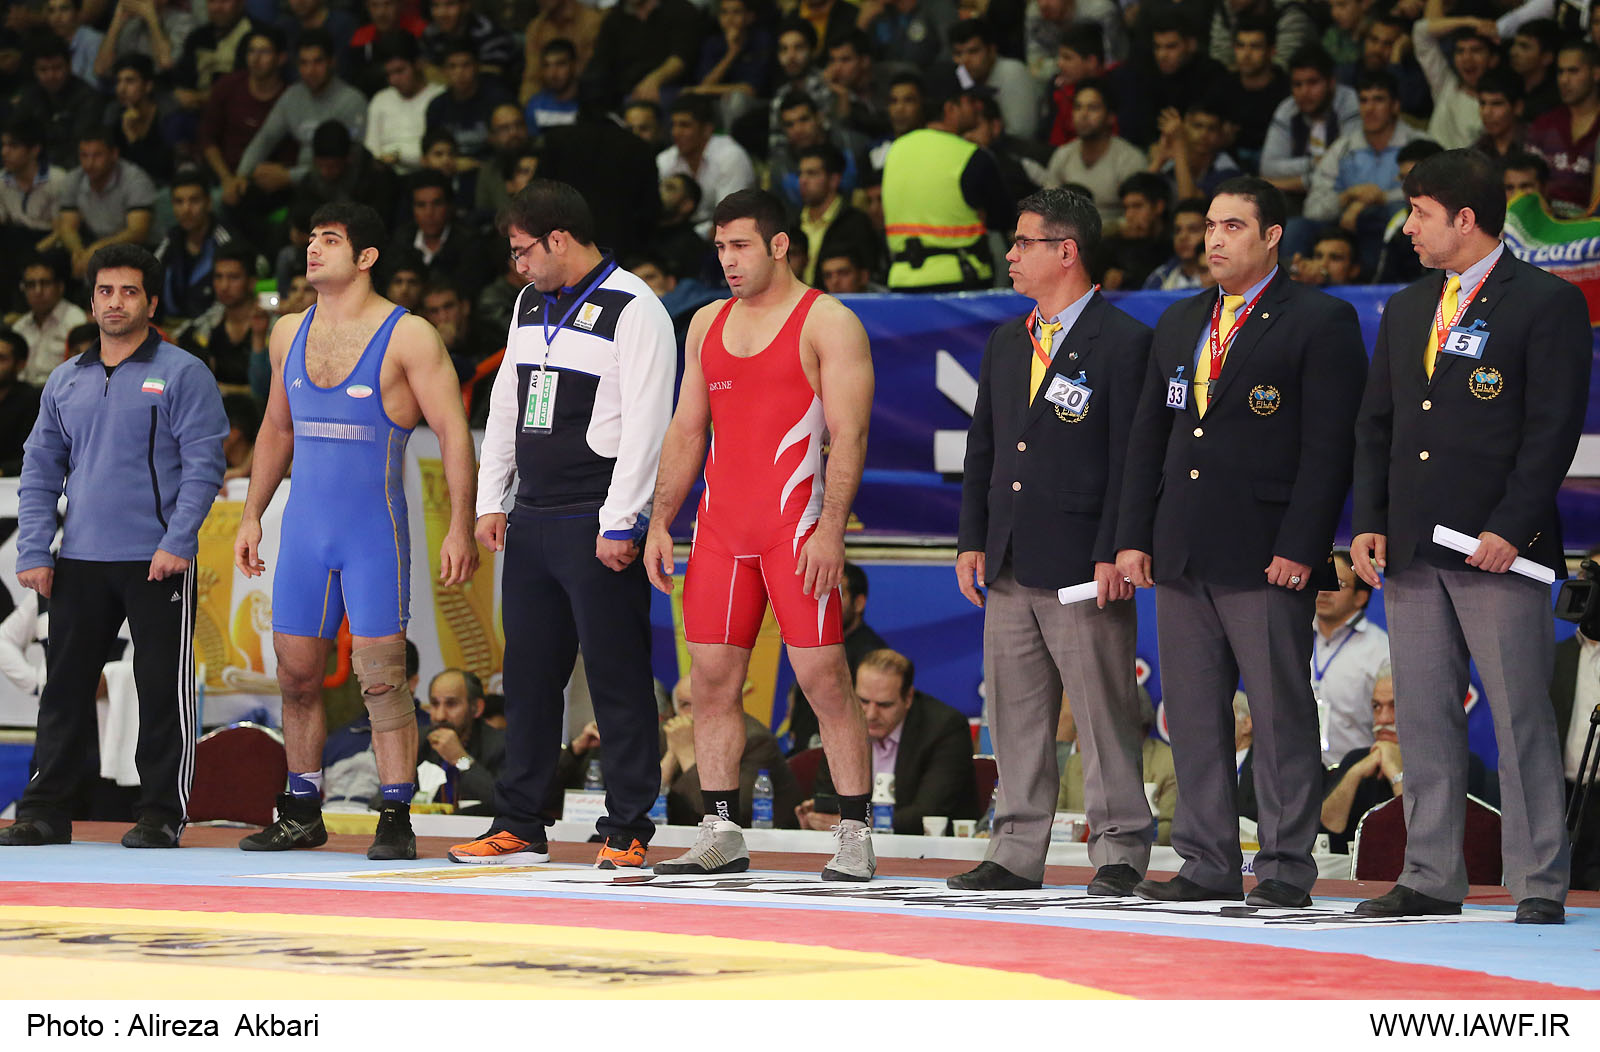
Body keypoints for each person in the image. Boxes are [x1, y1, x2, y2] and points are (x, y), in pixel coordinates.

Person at [1350, 148, 1590, 925]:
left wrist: (1511, 527)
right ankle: (1430, 874)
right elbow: (1377, 424)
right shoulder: (1408, 306)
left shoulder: (1545, 302)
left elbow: (1552, 430)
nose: (1407, 227)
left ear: (1464, 218)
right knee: (1423, 715)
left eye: (1420, 213)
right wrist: (1370, 520)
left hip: (1499, 549)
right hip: (1413, 546)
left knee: (1520, 715)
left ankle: (1538, 880)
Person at [1116, 176, 1367, 908]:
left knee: (1280, 712)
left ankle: (1286, 865)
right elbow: (1149, 438)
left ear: (1272, 236)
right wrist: (1134, 535)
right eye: (1209, 225)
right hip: (1182, 546)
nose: (1215, 239)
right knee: (1195, 714)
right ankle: (1206, 861)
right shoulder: (1179, 320)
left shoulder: (1319, 319)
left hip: (1267, 551)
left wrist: (1303, 544)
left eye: (1232, 226)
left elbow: (1330, 448)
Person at [233, 201, 479, 862]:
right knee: (296, 677)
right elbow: (276, 429)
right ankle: (301, 809)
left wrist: (460, 525)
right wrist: (253, 513)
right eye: (311, 238)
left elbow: (453, 432)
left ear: (366, 257)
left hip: (373, 532)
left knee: (381, 680)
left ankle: (395, 813)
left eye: (331, 240)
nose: (313, 249)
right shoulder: (287, 332)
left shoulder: (409, 336)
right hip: (305, 531)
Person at [643, 188, 878, 880]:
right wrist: (660, 520)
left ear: (780, 245)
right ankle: (720, 829)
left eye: (741, 245)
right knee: (710, 680)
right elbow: (687, 429)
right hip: (720, 532)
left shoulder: (827, 322)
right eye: (720, 247)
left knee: (823, 679)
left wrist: (830, 531)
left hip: (795, 529)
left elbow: (850, 435)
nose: (728, 260)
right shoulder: (706, 323)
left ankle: (855, 830)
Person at [453, 179, 674, 870]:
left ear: (559, 239)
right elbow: (508, 402)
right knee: (527, 678)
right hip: (534, 515)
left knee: (617, 677)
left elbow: (649, 425)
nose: (516, 265)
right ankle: (520, 820)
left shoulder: (635, 306)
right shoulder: (529, 302)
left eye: (523, 251)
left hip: (596, 515)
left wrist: (622, 520)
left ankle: (629, 825)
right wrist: (492, 498)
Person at [948, 187, 1152, 894]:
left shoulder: (1125, 342)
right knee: (1014, 715)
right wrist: (972, 538)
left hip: (1084, 563)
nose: (1009, 255)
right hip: (1008, 556)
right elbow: (984, 447)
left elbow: (1133, 458)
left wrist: (1117, 546)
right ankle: (1014, 849)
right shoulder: (1009, 340)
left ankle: (1120, 849)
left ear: (1067, 252)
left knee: (1101, 713)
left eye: (1023, 242)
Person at [0, 244, 227, 849]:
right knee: (64, 688)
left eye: (129, 291)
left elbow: (204, 466)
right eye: (105, 291)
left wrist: (178, 541)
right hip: (80, 558)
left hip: (157, 560)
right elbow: (39, 467)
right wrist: (34, 549)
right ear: (92, 300)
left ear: (151, 302)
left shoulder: (184, 372)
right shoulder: (65, 379)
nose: (115, 302)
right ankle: (45, 810)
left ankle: (161, 814)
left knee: (160, 689)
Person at [800, 648, 978, 835]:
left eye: (884, 705)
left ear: (908, 698)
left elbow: (929, 812)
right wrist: (816, 815)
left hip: (926, 846)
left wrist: (857, 825)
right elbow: (828, 795)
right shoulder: (843, 723)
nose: (871, 714)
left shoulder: (944, 728)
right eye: (863, 701)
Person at [882, 67, 1013, 292]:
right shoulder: (972, 156)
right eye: (970, 101)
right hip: (960, 283)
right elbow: (1003, 219)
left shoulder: (894, 151)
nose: (978, 107)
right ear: (950, 108)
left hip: (902, 281)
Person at [659, 675, 802, 828]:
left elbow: (726, 816)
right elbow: (646, 806)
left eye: (704, 702)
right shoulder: (669, 734)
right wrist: (671, 757)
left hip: (756, 838)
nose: (696, 713)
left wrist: (686, 755)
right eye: (686, 705)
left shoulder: (755, 740)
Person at [1307, 551, 1391, 767]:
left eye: (1337, 584)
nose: (1324, 591)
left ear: (1360, 597)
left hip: (1357, 770)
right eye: (1321, 582)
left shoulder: (1381, 650)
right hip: (1297, 769)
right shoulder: (1295, 637)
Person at [51, 128, 158, 280]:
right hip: (93, 244)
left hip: (134, 248)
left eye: (97, 155)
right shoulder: (74, 179)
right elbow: (67, 227)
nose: (89, 163)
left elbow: (138, 231)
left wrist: (98, 250)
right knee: (54, 261)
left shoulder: (135, 179)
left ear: (114, 154)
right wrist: (78, 253)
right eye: (84, 155)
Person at [1259, 45, 1359, 201]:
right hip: (1295, 198)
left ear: (1331, 82)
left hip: (1340, 197)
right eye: (1297, 84)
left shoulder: (1350, 103)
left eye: (1312, 83)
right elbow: (1268, 167)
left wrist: (1286, 184)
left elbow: (1348, 169)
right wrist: (1312, 163)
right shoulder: (1287, 108)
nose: (1304, 92)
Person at [1043, 79, 1145, 226]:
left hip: (1115, 236)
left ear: (1110, 117)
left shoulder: (1129, 159)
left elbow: (1139, 217)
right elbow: (1048, 209)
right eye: (1078, 107)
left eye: (1093, 108)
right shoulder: (1063, 155)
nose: (1083, 114)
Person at [656, 93, 757, 240]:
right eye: (673, 125)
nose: (675, 132)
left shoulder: (730, 156)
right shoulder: (665, 160)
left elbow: (729, 222)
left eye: (685, 125)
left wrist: (691, 237)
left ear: (706, 129)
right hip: (678, 235)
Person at [1522, 41, 1600, 218]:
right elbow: (1525, 180)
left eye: (1573, 71)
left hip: (1591, 226)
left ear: (1596, 73)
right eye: (1560, 72)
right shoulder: (1544, 124)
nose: (1564, 80)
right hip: (1542, 221)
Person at [419, 668, 505, 814]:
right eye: (434, 704)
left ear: (476, 708)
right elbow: (385, 800)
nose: (440, 716)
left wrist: (460, 759)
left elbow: (505, 801)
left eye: (451, 704)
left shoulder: (500, 745)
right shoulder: (420, 741)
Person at [365, 30, 444, 176]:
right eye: (389, 74)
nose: (393, 80)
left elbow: (440, 155)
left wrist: (399, 158)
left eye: (400, 71)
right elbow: (372, 151)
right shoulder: (380, 100)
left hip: (429, 177)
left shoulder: (439, 97)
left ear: (418, 64)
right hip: (387, 178)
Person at [12, 254, 86, 385]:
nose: (38, 291)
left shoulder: (76, 321)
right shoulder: (19, 327)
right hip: (23, 392)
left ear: (60, 287)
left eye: (45, 283)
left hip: (62, 391)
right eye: (31, 285)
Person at [1142, 196, 1210, 291]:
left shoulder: (1224, 277)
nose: (1182, 237)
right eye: (1177, 230)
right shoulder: (1161, 277)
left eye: (1193, 230)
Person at [0, 330, 42, 476]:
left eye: (1, 358)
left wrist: (4, 470)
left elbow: (37, 454)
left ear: (20, 364)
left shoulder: (32, 400)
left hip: (16, 480)